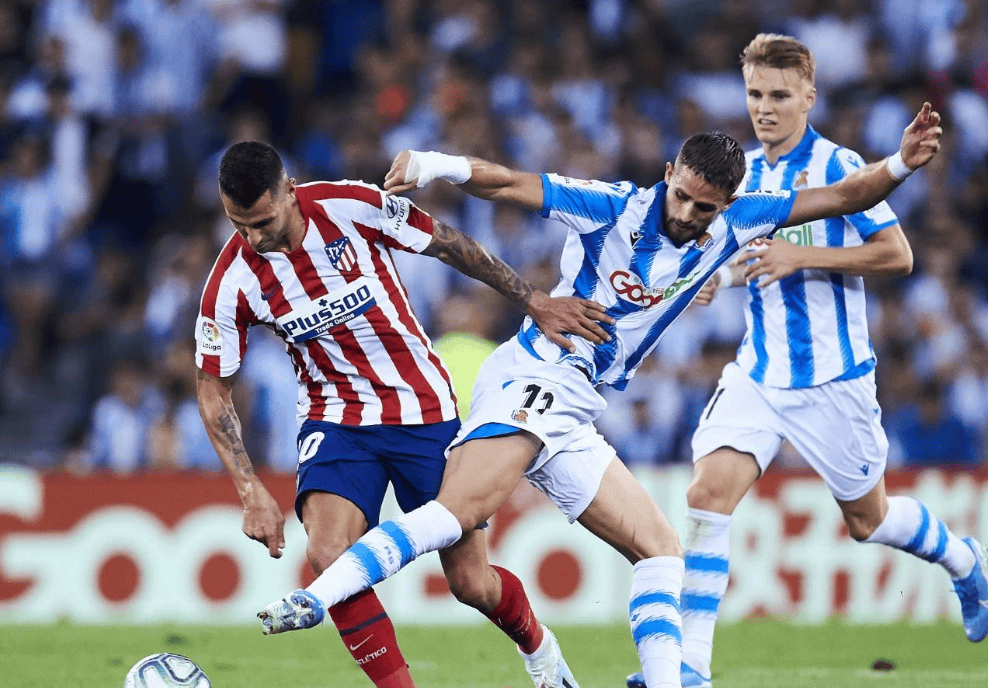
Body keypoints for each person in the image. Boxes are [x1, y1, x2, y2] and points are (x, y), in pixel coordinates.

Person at [256, 100, 942, 688]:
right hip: (536, 374)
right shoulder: (614, 207)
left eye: (704, 208)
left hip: (578, 403)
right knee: (461, 510)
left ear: (727, 205)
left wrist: (901, 164)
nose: (687, 214)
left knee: (662, 552)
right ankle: (319, 597)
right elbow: (511, 183)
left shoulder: (741, 221)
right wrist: (436, 163)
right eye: (681, 195)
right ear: (668, 174)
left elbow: (844, 197)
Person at [627, 34, 988, 688]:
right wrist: (721, 278)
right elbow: (748, 258)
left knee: (869, 520)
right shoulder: (741, 176)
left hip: (832, 378)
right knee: (707, 496)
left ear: (808, 97)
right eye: (755, 94)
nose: (764, 108)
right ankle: (691, 668)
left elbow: (897, 255)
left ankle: (964, 561)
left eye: (779, 95)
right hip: (758, 372)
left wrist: (805, 256)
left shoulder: (837, 164)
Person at [196, 141, 612, 688]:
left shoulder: (353, 205)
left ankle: (541, 650)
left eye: (262, 222)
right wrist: (250, 490)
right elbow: (212, 388)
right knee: (328, 555)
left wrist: (533, 300)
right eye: (238, 225)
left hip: (422, 408)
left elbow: (448, 244)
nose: (253, 238)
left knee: (472, 583)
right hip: (335, 417)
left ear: (289, 191)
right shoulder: (231, 282)